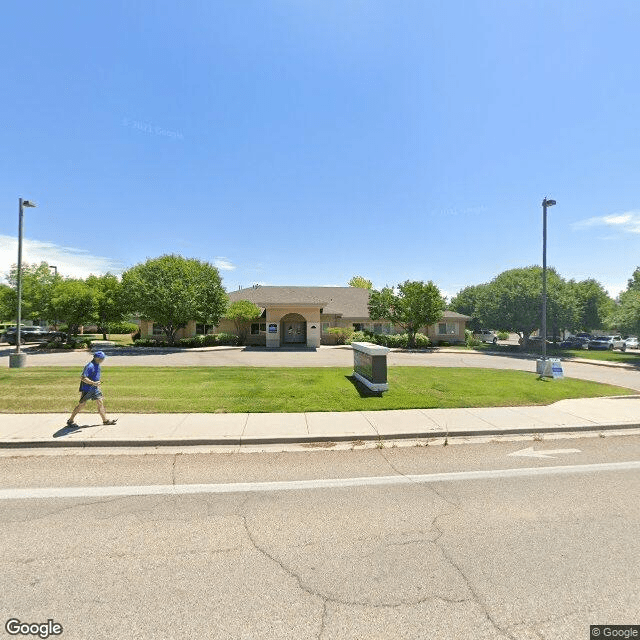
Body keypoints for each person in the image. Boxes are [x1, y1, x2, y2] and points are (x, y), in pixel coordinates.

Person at [66, 351, 117, 427]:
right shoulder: (90, 366)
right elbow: (83, 377)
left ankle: (105, 420)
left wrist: (97, 385)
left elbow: (95, 376)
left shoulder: (98, 365)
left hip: (95, 388)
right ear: (97, 358)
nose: (103, 360)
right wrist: (93, 383)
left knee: (100, 403)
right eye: (102, 358)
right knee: (81, 405)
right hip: (87, 389)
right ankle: (70, 421)